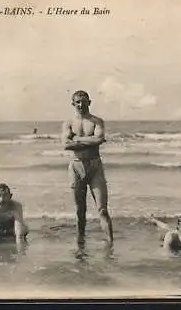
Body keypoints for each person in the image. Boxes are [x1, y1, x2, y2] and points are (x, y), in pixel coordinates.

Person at [61, 90, 113, 249]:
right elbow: (66, 145)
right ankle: (80, 245)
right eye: (77, 102)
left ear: (89, 102)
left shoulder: (97, 121)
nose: (81, 104)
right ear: (73, 103)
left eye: (84, 101)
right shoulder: (68, 123)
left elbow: (99, 139)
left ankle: (111, 245)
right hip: (76, 166)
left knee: (102, 209)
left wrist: (77, 139)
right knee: (79, 211)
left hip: (95, 166)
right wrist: (90, 141)